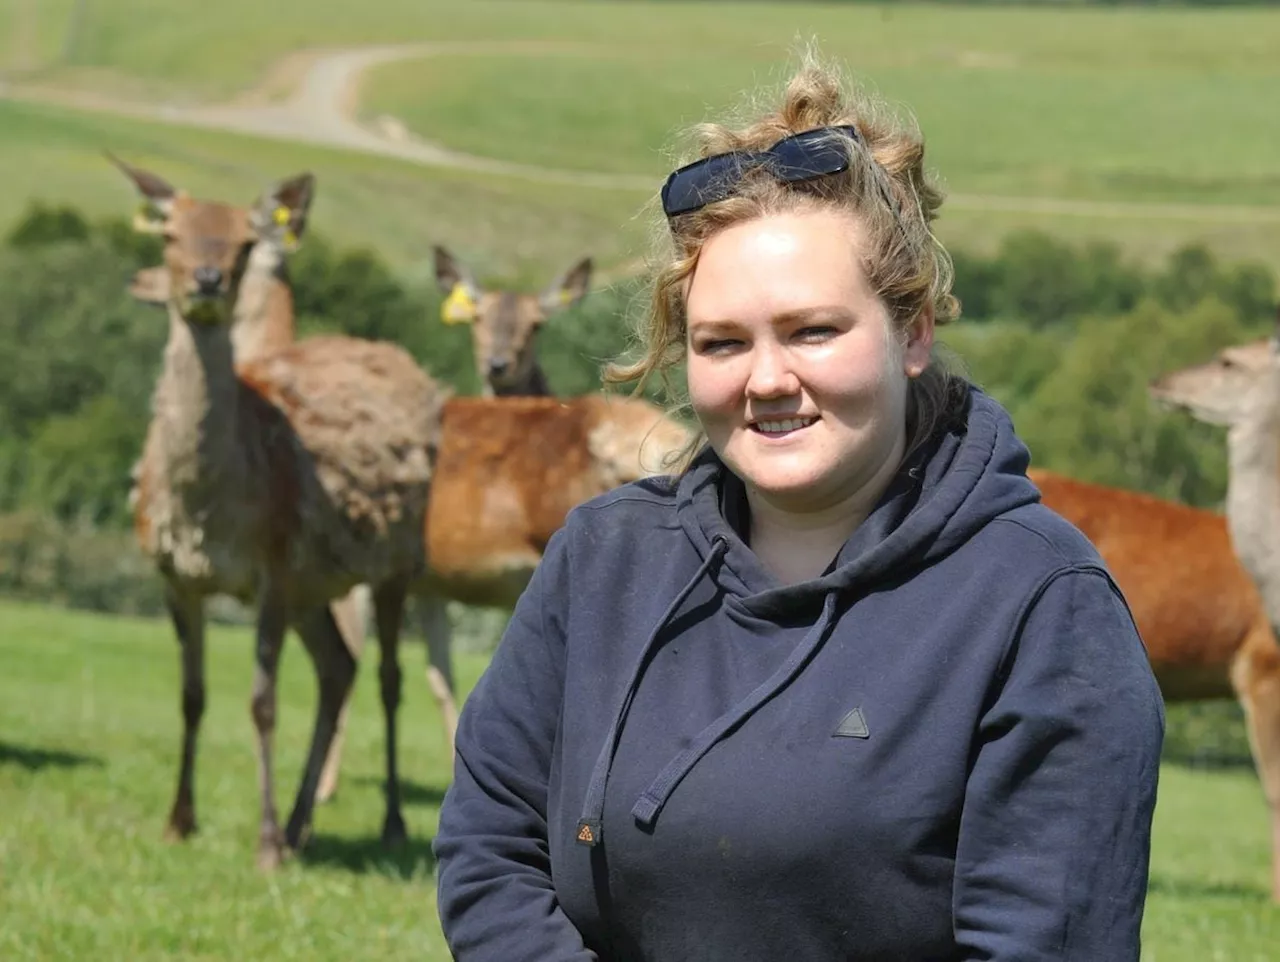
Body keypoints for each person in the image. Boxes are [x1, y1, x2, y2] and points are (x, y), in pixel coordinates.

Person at [432, 50, 1165, 962]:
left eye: (814, 330)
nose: (767, 379)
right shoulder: (605, 560)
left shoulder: (1038, 604)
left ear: (913, 332)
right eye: (722, 341)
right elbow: (490, 850)